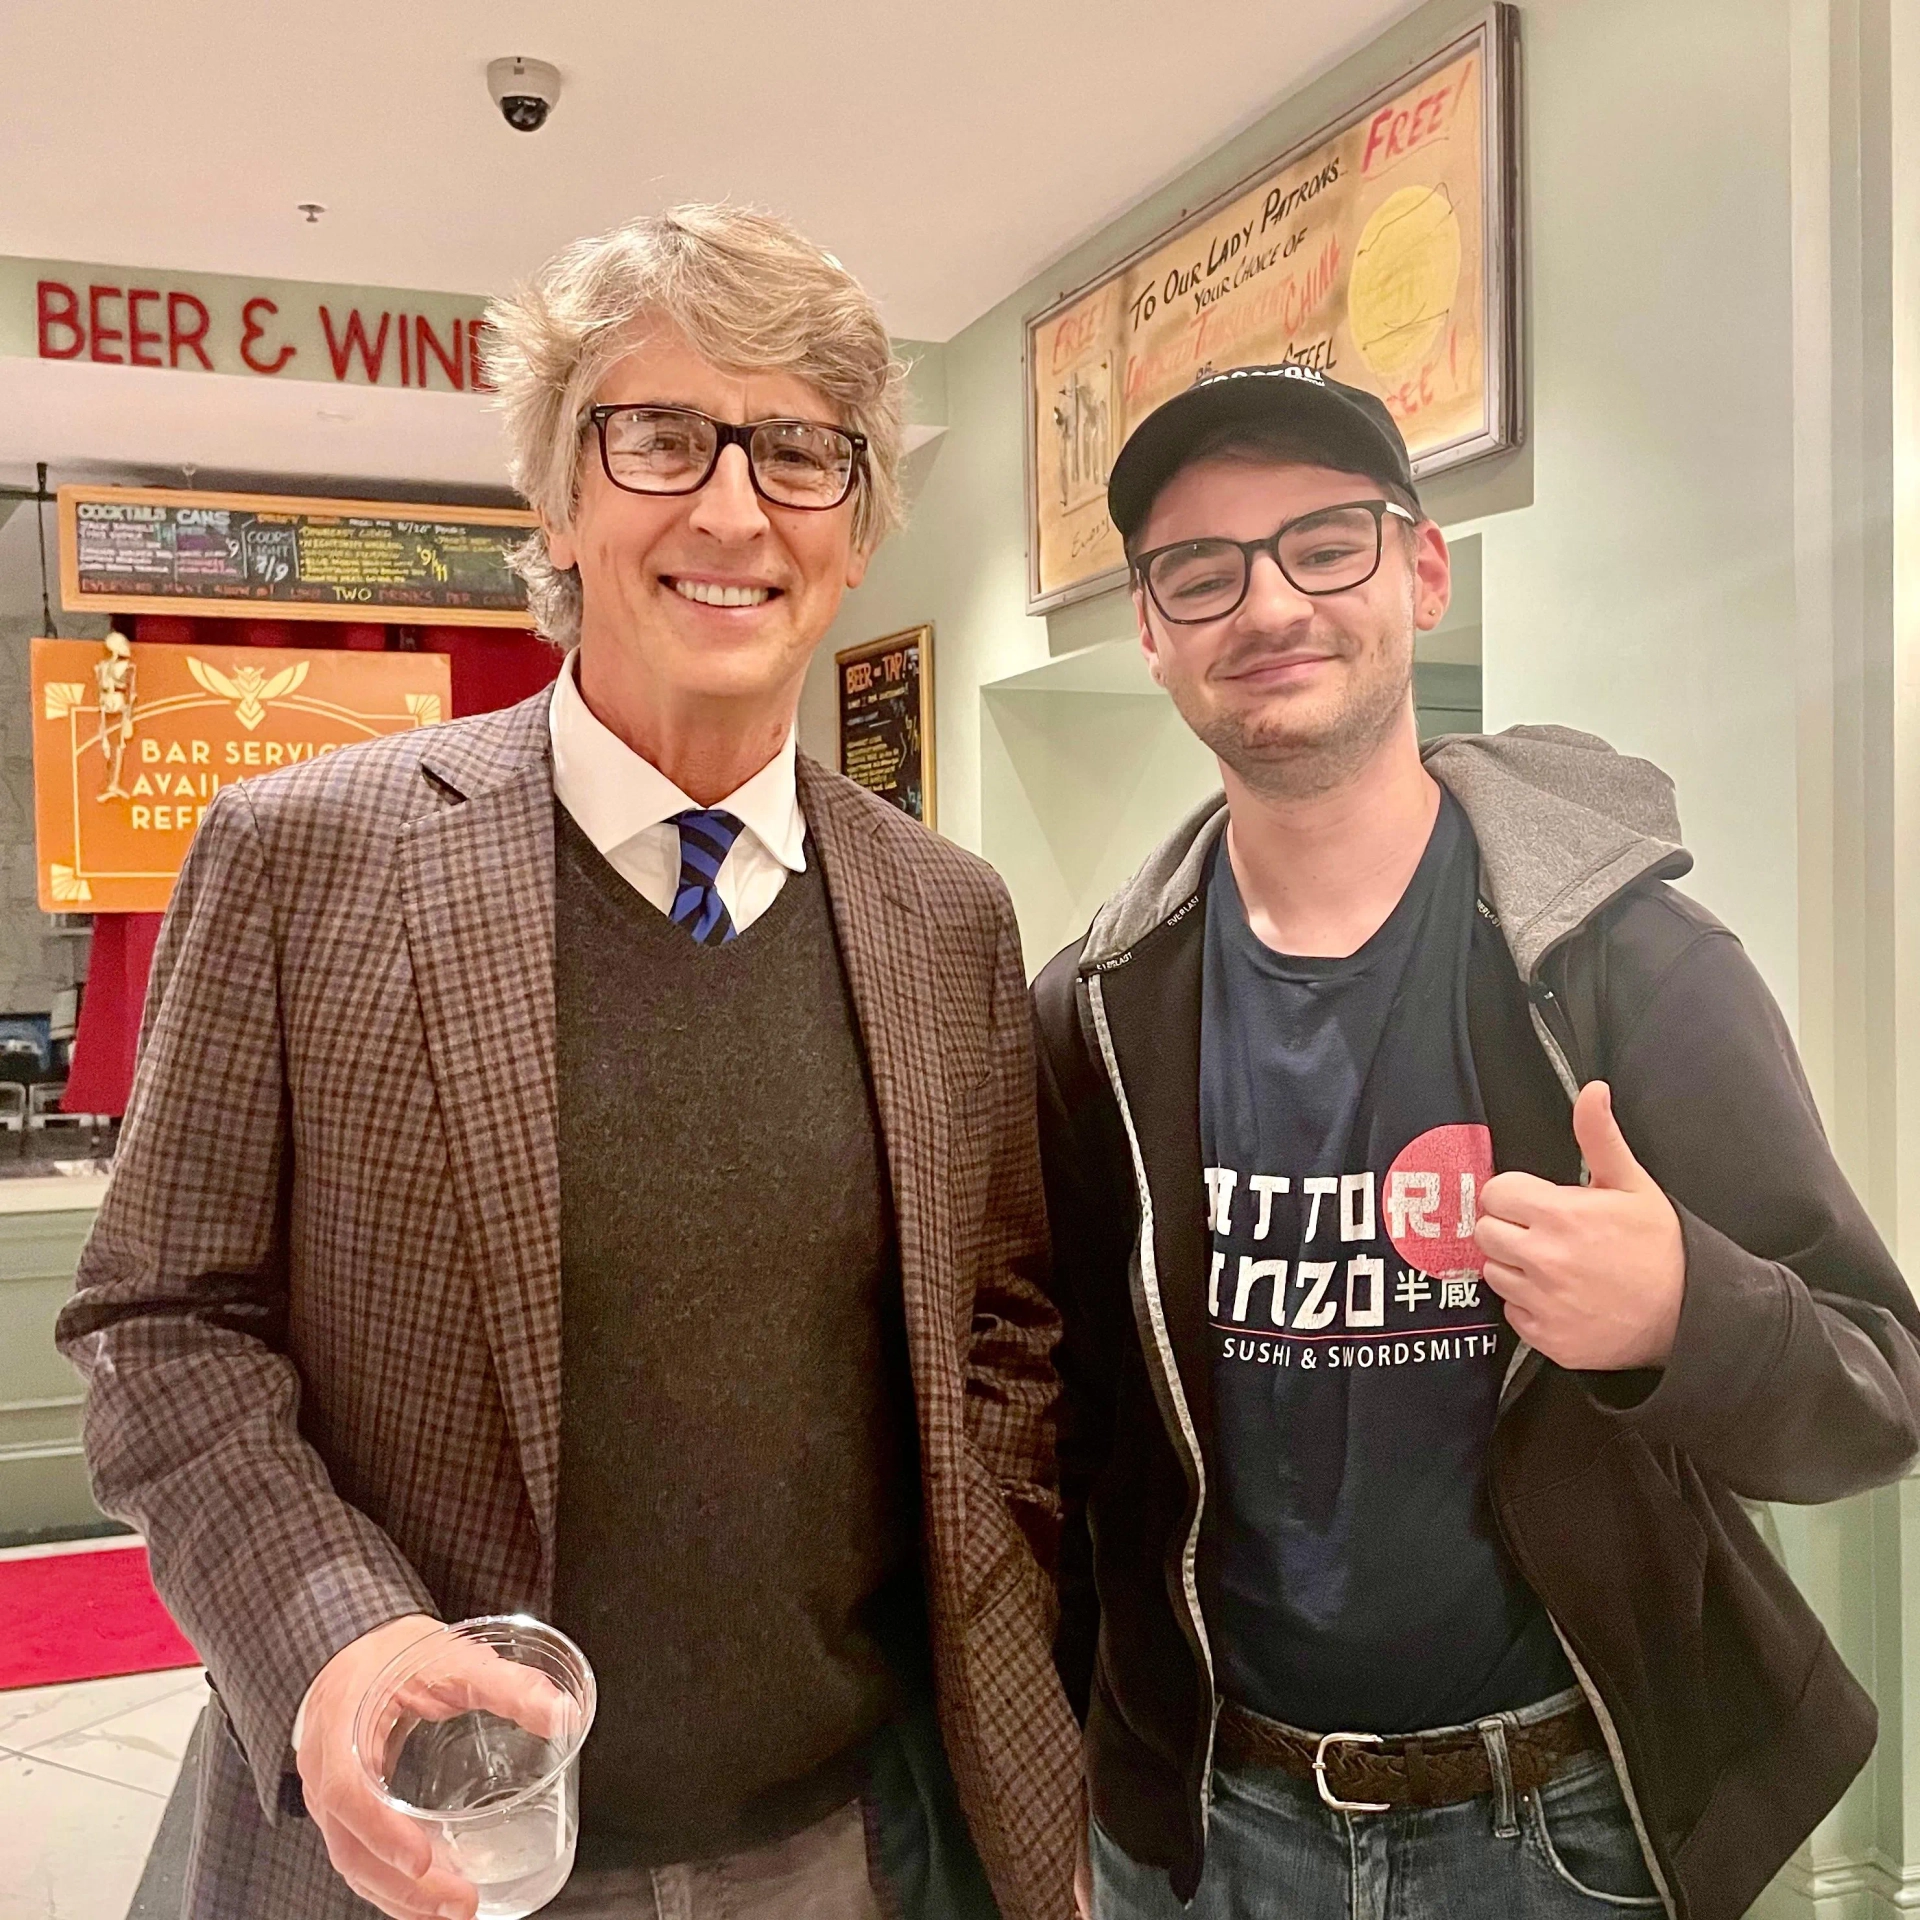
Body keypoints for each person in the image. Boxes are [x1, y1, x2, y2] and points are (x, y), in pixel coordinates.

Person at [59, 205, 1079, 1920]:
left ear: (856, 532)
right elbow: (165, 1326)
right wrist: (332, 1638)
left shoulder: (945, 915)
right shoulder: (305, 857)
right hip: (420, 1857)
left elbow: (1005, 1333)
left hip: (846, 1851)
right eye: (662, 435)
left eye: (801, 455)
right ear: (558, 500)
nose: (733, 507)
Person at [1031, 364, 1920, 1920]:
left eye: (1325, 544)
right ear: (1156, 634)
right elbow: (1077, 1435)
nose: (1270, 604)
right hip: (1219, 1827)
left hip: (1573, 1825)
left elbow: (1878, 1398)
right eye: (1202, 570)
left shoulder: (1629, 967)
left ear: (1420, 572)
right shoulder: (1093, 1013)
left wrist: (1678, 1313)